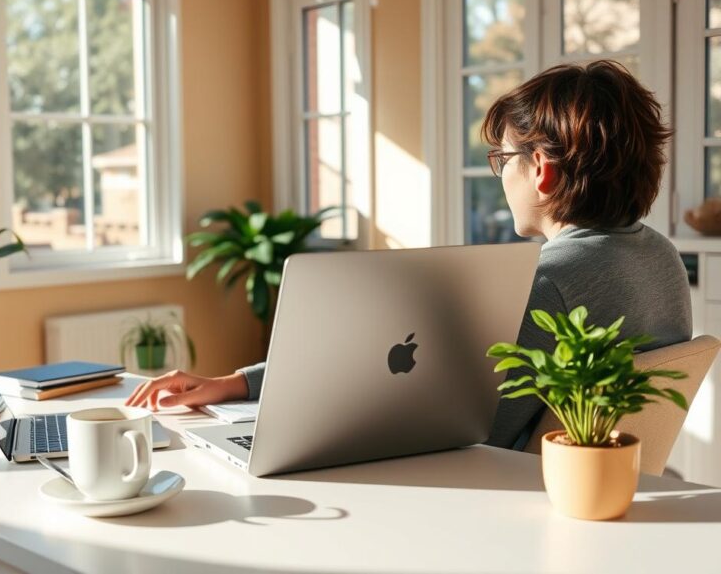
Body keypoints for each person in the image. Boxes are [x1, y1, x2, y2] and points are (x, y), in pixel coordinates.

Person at [126, 60, 692, 450]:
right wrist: (240, 382)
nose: (501, 175)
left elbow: (467, 431)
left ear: (541, 170)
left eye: (503, 159)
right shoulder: (661, 258)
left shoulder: (547, 283)